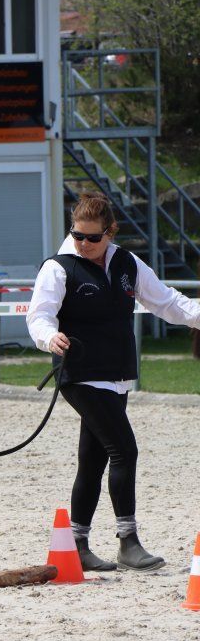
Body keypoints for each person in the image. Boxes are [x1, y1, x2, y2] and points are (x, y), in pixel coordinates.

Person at [27, 192, 200, 572]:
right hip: (80, 373)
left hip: (117, 373)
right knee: (125, 450)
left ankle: (77, 544)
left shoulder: (127, 263)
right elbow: (39, 316)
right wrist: (48, 337)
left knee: (94, 458)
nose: (84, 244)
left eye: (93, 237)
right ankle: (129, 542)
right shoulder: (58, 268)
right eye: (77, 235)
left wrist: (198, 315)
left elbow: (167, 302)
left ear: (110, 232)